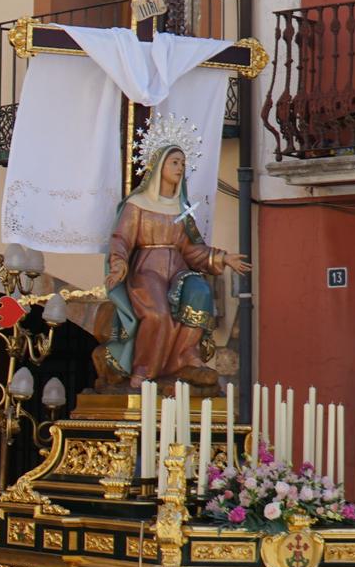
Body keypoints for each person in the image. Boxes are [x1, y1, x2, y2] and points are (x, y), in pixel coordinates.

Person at [101, 143, 251, 388]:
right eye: (175, 162)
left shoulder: (182, 208)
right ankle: (144, 368)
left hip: (179, 270)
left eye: (182, 163)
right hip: (147, 269)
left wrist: (223, 258)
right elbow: (122, 239)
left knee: (200, 293)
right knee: (156, 313)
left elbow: (191, 249)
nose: (180, 167)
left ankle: (186, 358)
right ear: (159, 166)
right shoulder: (137, 203)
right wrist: (118, 265)